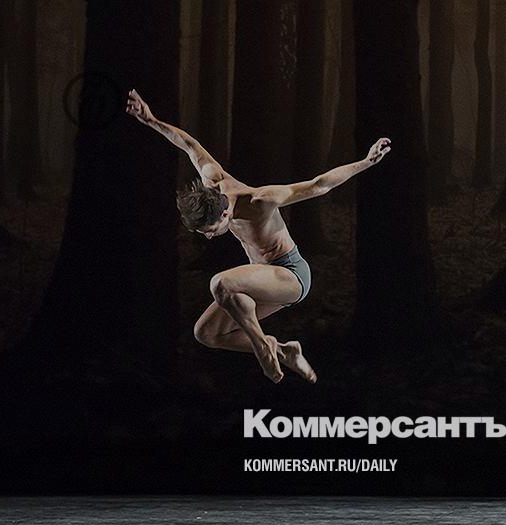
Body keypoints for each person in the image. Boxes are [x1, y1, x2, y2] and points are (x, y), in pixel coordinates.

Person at [125, 88, 391, 384]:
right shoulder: (213, 180)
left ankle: (263, 349)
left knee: (221, 283)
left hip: (291, 275)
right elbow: (189, 144)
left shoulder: (260, 201)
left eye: (211, 231)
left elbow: (319, 185)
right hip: (261, 279)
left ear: (224, 215)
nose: (210, 238)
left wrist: (367, 162)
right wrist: (151, 120)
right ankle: (283, 350)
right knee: (206, 333)